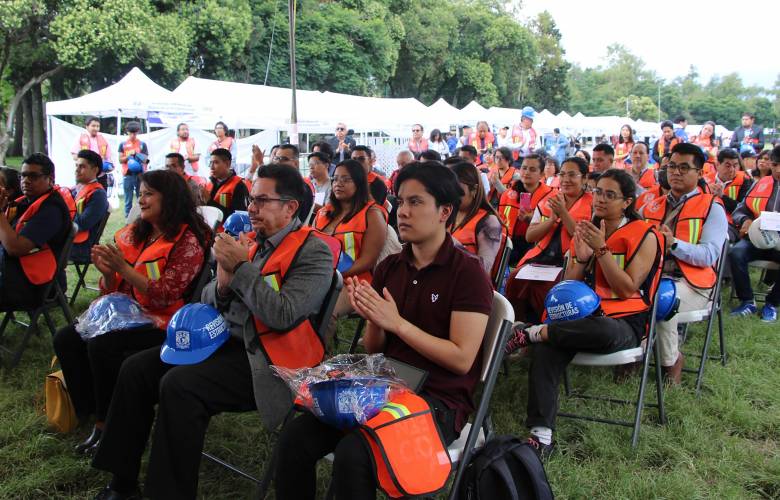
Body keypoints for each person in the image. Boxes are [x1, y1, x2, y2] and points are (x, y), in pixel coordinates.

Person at [90, 165, 333, 499]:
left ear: (290, 207)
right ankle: (121, 482)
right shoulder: (248, 241)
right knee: (136, 369)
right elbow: (205, 297)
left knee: (179, 386)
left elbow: (284, 314)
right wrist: (221, 285)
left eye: (262, 200)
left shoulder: (314, 251)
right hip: (219, 340)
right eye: (251, 198)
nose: (251, 208)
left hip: (268, 360)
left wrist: (242, 270)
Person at [275, 161, 493, 500]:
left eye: (416, 202)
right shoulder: (392, 266)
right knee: (296, 435)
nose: (402, 212)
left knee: (356, 451)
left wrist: (397, 324)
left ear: (444, 211)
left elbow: (462, 359)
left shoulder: (467, 272)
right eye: (401, 201)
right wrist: (374, 319)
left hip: (437, 400)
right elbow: (375, 349)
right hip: (385, 388)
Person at [53, 170, 210, 458]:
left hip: (163, 322)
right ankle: (89, 409)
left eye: (149, 193)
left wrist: (125, 269)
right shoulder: (141, 231)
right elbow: (116, 290)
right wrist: (110, 275)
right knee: (66, 338)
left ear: (170, 198)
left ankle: (106, 424)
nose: (141, 199)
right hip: (130, 313)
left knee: (103, 345)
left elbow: (166, 294)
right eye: (141, 193)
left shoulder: (188, 241)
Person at [505, 168, 662, 456]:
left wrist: (601, 251)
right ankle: (542, 434)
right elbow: (571, 284)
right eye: (598, 191)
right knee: (547, 347)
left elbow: (627, 289)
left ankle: (532, 332)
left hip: (624, 321)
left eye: (610, 195)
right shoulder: (589, 228)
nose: (600, 199)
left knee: (592, 331)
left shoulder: (645, 235)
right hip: (582, 314)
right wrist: (581, 257)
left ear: (627, 202)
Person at [641, 143, 728, 383]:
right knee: (629, 289)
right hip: (651, 276)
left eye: (684, 167)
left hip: (692, 284)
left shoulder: (712, 207)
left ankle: (671, 362)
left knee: (662, 298)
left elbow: (710, 255)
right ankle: (633, 354)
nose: (675, 172)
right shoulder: (652, 203)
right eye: (671, 166)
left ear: (700, 173)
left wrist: (674, 245)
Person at [505, 156, 593, 322]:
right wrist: (552, 220)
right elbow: (530, 236)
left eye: (572, 175)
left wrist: (563, 213)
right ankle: (518, 327)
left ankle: (545, 328)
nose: (566, 180)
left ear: (585, 178)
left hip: (568, 262)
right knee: (515, 277)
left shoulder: (592, 204)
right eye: (563, 174)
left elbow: (582, 238)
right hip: (540, 259)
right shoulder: (548, 200)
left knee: (548, 288)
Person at [314, 159, 387, 331]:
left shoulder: (372, 213)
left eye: (346, 179)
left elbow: (368, 261)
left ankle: (320, 355)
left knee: (323, 311)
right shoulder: (324, 212)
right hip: (321, 277)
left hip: (355, 283)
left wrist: (335, 276)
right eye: (335, 179)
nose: (338, 184)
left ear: (359, 183)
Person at [0, 153, 71, 309]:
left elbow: (15, 248)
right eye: (23, 176)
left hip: (33, 284)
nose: (26, 181)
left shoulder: (52, 210)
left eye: (33, 176)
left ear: (50, 179)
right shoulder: (25, 202)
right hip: (14, 273)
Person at [729, 145, 780, 322]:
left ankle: (772, 303)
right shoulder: (760, 184)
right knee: (735, 253)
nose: (778, 169)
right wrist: (745, 221)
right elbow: (739, 210)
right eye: (775, 165)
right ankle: (747, 301)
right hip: (755, 238)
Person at [498, 153, 555, 266]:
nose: (527, 172)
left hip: (538, 245)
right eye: (524, 168)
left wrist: (530, 219)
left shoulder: (551, 196)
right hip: (509, 242)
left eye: (532, 169)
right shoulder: (508, 193)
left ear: (541, 174)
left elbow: (552, 227)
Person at [449, 162, 505, 276]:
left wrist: (447, 241)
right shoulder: (447, 216)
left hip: (470, 287)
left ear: (474, 190)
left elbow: (483, 268)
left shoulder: (489, 222)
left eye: (458, 190)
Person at [70, 150, 110, 262]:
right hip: (69, 241)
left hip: (82, 248)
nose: (77, 170)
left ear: (95, 170)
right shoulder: (75, 190)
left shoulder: (98, 194)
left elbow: (83, 223)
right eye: (76, 166)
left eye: (82, 166)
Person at [710, 148, 753, 242]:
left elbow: (744, 210)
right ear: (717, 165)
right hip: (707, 220)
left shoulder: (745, 181)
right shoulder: (705, 180)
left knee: (719, 237)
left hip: (731, 224)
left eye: (735, 165)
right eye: (728, 166)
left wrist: (722, 197)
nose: (732, 170)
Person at [206, 148, 250, 222]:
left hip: (226, 232)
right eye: (210, 163)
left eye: (215, 162)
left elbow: (237, 217)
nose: (211, 167)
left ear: (227, 164)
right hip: (208, 229)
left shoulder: (239, 185)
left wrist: (209, 201)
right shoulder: (209, 184)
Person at [117, 121, 149, 218]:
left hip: (140, 174)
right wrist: (129, 156)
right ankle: (128, 220)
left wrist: (137, 155)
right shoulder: (122, 144)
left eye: (134, 133)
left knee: (141, 197)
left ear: (138, 132)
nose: (132, 135)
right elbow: (120, 160)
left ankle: (141, 218)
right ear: (127, 132)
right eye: (130, 133)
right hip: (128, 174)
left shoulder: (142, 144)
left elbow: (146, 160)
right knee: (128, 199)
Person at [72, 116, 111, 189]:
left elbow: (108, 157)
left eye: (98, 126)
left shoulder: (103, 139)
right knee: (82, 198)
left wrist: (110, 165)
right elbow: (74, 156)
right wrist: (89, 161)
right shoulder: (80, 137)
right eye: (93, 126)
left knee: (101, 197)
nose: (96, 128)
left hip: (101, 175)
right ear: (87, 126)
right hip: (84, 176)